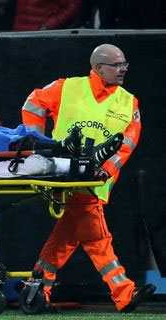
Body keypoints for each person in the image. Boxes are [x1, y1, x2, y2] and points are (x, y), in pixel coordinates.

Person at [21, 43, 156, 313]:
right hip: (65, 176)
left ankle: (34, 290)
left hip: (96, 181)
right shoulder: (67, 87)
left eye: (124, 64)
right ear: (98, 68)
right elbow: (33, 103)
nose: (123, 69)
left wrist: (106, 170)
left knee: (67, 237)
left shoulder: (129, 102)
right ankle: (124, 292)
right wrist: (38, 146)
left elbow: (127, 145)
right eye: (117, 65)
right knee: (96, 236)